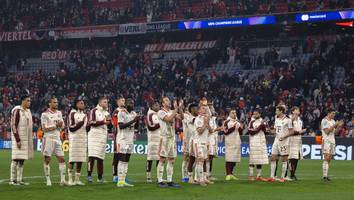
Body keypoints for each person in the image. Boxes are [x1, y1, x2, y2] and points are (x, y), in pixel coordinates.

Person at [156, 97, 183, 188]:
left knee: (172, 159)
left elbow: (181, 118)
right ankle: (159, 180)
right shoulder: (160, 112)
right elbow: (168, 119)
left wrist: (180, 108)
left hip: (172, 138)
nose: (169, 101)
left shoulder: (172, 111)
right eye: (166, 100)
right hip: (164, 138)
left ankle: (170, 180)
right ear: (163, 104)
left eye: (169, 100)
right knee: (162, 159)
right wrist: (175, 109)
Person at [41, 96, 67, 186]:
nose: (57, 104)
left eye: (57, 102)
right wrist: (56, 126)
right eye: (54, 102)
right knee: (47, 159)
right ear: (50, 103)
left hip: (57, 138)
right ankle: (48, 180)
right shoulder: (44, 114)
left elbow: (63, 125)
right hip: (48, 138)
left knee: (62, 159)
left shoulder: (59, 113)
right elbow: (44, 128)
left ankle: (62, 180)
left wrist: (61, 125)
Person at [9, 89, 33, 185]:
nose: (29, 102)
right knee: (15, 158)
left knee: (22, 159)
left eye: (30, 101)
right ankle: (12, 180)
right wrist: (18, 139)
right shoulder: (17, 110)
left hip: (25, 138)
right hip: (18, 138)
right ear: (22, 101)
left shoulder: (28, 111)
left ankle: (19, 179)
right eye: (28, 100)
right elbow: (13, 125)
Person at [116, 98, 139, 187]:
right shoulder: (121, 113)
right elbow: (121, 126)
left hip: (130, 139)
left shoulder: (134, 113)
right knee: (122, 159)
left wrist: (138, 120)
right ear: (126, 104)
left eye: (133, 103)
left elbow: (136, 128)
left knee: (126, 160)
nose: (132, 105)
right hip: (122, 139)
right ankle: (119, 181)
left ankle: (123, 179)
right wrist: (133, 120)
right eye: (130, 103)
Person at [87, 97, 111, 183]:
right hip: (93, 136)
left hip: (103, 137)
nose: (106, 103)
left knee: (101, 158)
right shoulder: (94, 111)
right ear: (100, 103)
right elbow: (91, 122)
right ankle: (89, 175)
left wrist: (109, 122)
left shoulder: (107, 113)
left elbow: (108, 124)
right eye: (105, 102)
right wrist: (103, 122)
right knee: (92, 157)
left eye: (107, 102)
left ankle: (100, 178)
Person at [268, 106, 294, 183]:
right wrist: (269, 130)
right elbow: (275, 131)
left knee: (284, 159)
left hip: (284, 141)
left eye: (277, 111)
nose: (276, 112)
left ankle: (283, 177)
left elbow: (292, 131)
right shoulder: (276, 119)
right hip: (276, 140)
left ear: (281, 111)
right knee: (272, 158)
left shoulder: (288, 120)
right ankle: (272, 176)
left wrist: (284, 137)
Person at [67, 96, 88, 186]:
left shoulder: (85, 115)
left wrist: (89, 125)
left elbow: (86, 128)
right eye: (81, 103)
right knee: (72, 159)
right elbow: (71, 128)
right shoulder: (72, 113)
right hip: (74, 139)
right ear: (76, 104)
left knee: (80, 159)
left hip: (83, 139)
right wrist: (81, 123)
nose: (83, 105)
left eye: (83, 103)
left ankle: (77, 179)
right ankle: (70, 179)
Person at [321, 109, 344, 181]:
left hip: (332, 141)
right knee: (327, 157)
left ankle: (326, 175)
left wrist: (339, 126)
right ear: (328, 113)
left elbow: (335, 133)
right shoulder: (324, 120)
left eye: (334, 114)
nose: (334, 115)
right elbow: (327, 131)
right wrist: (335, 125)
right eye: (333, 113)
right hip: (326, 140)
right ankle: (324, 176)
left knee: (329, 158)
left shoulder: (333, 121)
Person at [247, 109, 268, 181]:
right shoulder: (252, 122)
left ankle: (259, 176)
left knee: (260, 159)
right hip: (253, 141)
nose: (254, 115)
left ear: (259, 114)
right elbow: (250, 131)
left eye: (256, 114)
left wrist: (264, 126)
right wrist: (260, 127)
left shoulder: (263, 122)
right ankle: (251, 175)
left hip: (261, 141)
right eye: (254, 114)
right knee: (252, 159)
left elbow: (266, 132)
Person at [194, 105, 213, 186]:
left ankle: (201, 178)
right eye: (202, 108)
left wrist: (207, 123)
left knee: (203, 160)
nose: (204, 109)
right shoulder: (198, 119)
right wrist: (205, 123)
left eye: (205, 108)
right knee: (200, 160)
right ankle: (200, 180)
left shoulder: (205, 119)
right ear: (199, 111)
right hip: (198, 142)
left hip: (205, 142)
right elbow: (200, 131)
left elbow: (211, 131)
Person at [223, 109, 243, 181]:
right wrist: (234, 127)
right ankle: (228, 174)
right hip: (229, 142)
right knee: (229, 158)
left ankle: (231, 173)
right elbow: (225, 132)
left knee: (234, 158)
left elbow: (241, 133)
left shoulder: (237, 122)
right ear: (229, 114)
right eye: (232, 113)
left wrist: (239, 128)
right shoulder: (226, 122)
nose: (234, 114)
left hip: (237, 141)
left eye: (235, 112)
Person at [288, 106, 307, 181]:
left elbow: (299, 130)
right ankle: (290, 174)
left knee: (296, 159)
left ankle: (293, 175)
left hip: (298, 141)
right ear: (293, 111)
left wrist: (301, 131)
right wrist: (300, 132)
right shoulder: (289, 119)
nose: (298, 111)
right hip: (291, 140)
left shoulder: (300, 121)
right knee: (291, 158)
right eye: (297, 110)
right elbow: (290, 130)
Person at [146, 101, 161, 183]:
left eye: (158, 105)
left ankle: (159, 177)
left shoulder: (157, 114)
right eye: (156, 105)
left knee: (159, 158)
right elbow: (151, 127)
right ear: (152, 106)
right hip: (152, 139)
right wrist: (160, 124)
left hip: (159, 138)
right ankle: (148, 177)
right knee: (150, 158)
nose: (158, 106)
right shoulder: (150, 114)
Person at [112, 97, 126, 183]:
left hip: (124, 137)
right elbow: (116, 124)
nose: (123, 102)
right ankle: (114, 175)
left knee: (123, 156)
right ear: (117, 102)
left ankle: (122, 176)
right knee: (116, 156)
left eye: (124, 100)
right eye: (122, 100)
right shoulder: (116, 112)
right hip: (118, 136)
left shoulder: (125, 110)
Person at [184, 103, 199, 184]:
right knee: (192, 159)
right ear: (192, 110)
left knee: (199, 160)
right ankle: (190, 177)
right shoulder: (189, 117)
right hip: (193, 140)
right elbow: (196, 121)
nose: (198, 110)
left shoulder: (198, 117)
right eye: (196, 109)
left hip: (199, 140)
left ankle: (197, 177)